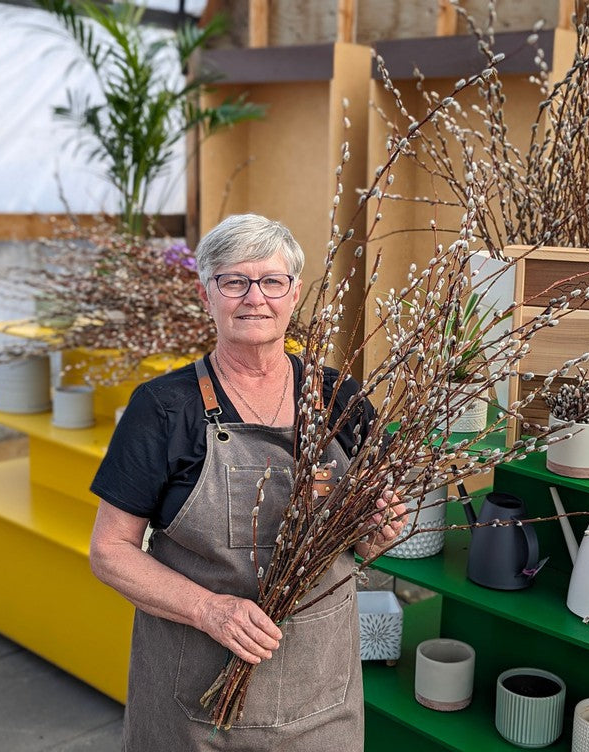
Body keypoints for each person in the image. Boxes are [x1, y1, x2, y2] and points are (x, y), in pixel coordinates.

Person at [89, 213, 406, 751]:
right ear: (206, 293)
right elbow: (109, 551)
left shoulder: (340, 399)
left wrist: (375, 534)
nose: (253, 298)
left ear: (294, 292)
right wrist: (210, 610)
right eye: (233, 281)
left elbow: (359, 533)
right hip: (197, 699)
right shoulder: (164, 409)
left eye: (271, 281)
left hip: (321, 694)